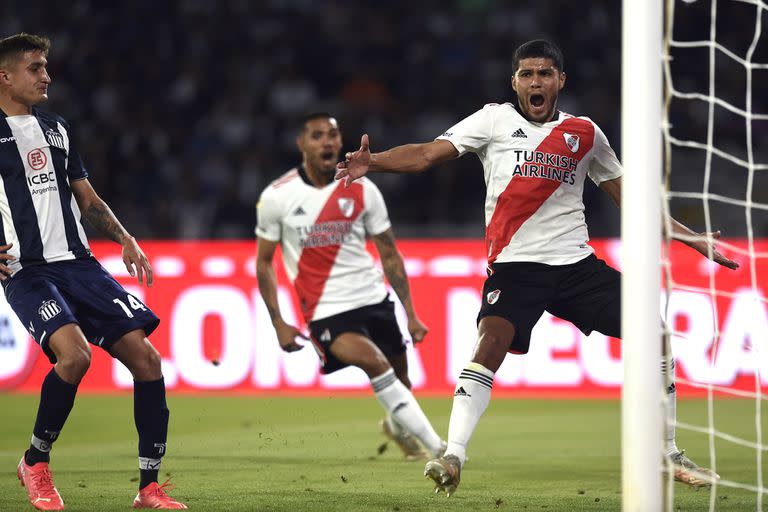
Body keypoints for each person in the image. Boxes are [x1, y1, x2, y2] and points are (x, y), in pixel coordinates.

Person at [335, 40, 740, 496]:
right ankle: (453, 456)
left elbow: (633, 201)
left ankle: (665, 453)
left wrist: (692, 240)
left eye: (545, 74)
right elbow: (428, 154)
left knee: (657, 332)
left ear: (560, 81)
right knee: (490, 344)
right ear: (515, 82)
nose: (536, 82)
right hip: (516, 268)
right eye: (527, 74)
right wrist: (376, 163)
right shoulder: (494, 119)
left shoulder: (586, 134)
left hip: (576, 266)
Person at [0, 33, 186, 510]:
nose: (47, 75)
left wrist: (123, 236)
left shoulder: (57, 128)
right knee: (75, 357)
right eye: (36, 67)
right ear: (5, 76)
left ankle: (148, 488)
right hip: (27, 270)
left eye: (46, 66)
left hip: (80, 265)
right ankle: (35, 462)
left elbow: (87, 198)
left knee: (147, 362)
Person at [256, 112, 446, 461]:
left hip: (374, 299)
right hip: (326, 310)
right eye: (317, 136)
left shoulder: (363, 189)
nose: (326, 141)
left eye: (332, 134)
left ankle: (397, 427)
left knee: (402, 382)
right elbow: (264, 263)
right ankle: (441, 450)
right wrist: (278, 321)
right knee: (375, 364)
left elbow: (389, 254)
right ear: (301, 143)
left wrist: (412, 314)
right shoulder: (277, 197)